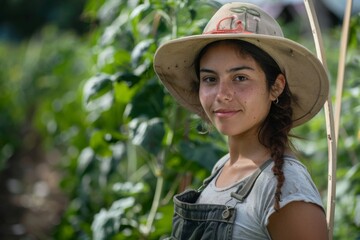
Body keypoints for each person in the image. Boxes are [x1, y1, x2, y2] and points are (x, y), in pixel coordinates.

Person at [153, 2, 329, 240]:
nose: (222, 94)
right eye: (210, 79)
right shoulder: (222, 167)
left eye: (240, 77)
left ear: (275, 87)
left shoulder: (285, 189)